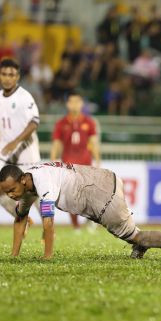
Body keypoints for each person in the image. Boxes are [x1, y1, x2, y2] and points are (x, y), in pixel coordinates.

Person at [0, 163, 161, 260]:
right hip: (101, 182)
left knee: (137, 236)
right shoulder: (27, 184)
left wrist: (47, 257)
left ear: (23, 179)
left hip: (102, 195)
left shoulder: (43, 182)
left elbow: (48, 223)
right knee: (132, 236)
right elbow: (20, 219)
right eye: (6, 192)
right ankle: (139, 246)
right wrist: (14, 256)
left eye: (12, 190)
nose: (11, 195)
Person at [0, 59, 41, 223]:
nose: (8, 78)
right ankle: (21, 218)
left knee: (35, 189)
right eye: (4, 74)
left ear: (17, 77)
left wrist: (16, 142)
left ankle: (48, 224)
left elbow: (34, 123)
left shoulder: (25, 97)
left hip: (25, 149)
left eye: (12, 74)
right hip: (5, 149)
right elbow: (5, 122)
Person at [50, 92, 101, 230]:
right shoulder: (61, 123)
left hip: (85, 163)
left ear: (82, 104)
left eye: (77, 102)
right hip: (68, 164)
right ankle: (76, 226)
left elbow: (94, 142)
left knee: (89, 194)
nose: (75, 105)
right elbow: (56, 143)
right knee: (70, 195)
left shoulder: (89, 122)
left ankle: (90, 220)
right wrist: (53, 160)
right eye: (72, 102)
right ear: (67, 104)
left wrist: (97, 161)